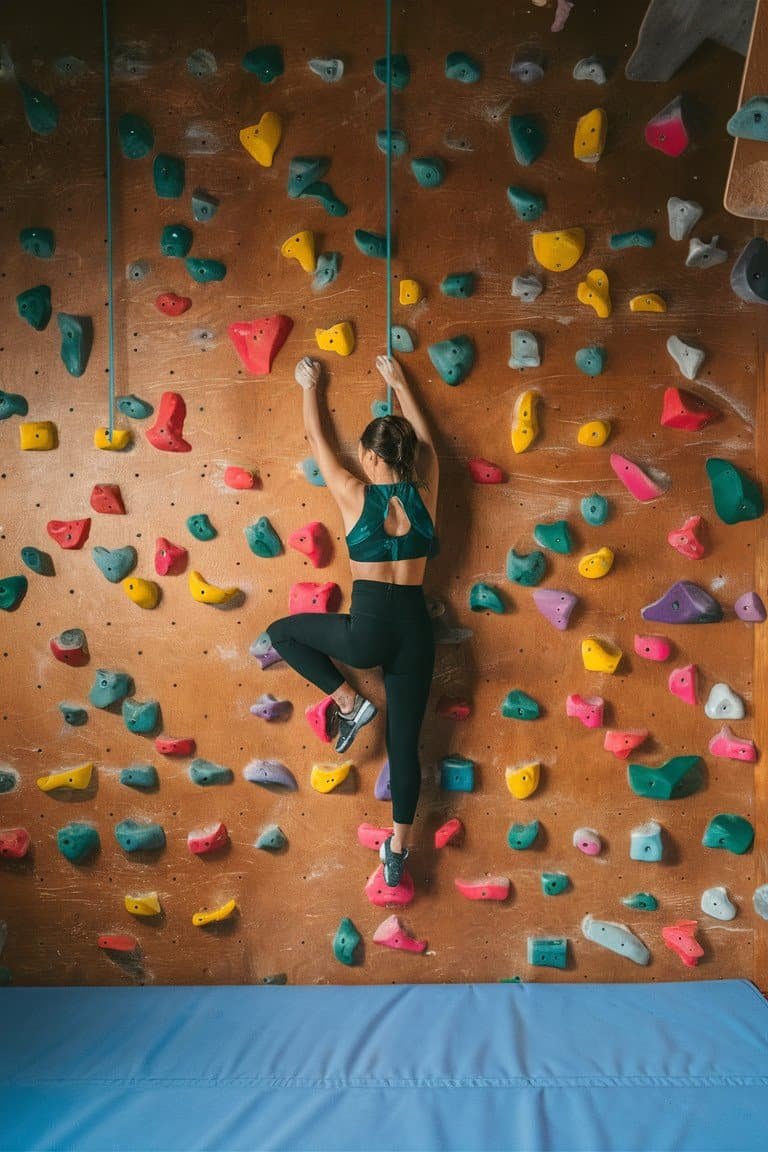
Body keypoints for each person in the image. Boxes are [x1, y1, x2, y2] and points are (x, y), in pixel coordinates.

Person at [266, 353, 439, 888]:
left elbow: (317, 439)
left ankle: (349, 702)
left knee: (282, 633)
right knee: (405, 746)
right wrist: (400, 383)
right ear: (407, 456)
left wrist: (308, 385)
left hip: (367, 629)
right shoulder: (427, 489)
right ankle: (399, 849)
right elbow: (429, 444)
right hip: (415, 629)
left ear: (367, 455)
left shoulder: (352, 492)